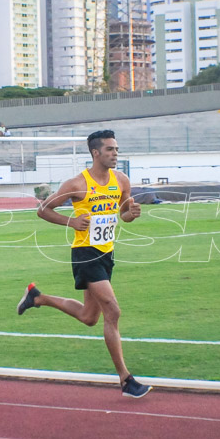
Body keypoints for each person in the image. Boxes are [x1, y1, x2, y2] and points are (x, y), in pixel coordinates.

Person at [17, 129, 151, 398]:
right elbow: (43, 209)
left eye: (116, 149)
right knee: (112, 311)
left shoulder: (121, 180)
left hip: (106, 253)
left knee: (89, 317)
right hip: (85, 253)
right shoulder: (77, 184)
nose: (115, 154)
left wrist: (132, 214)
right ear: (96, 153)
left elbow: (124, 214)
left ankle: (38, 297)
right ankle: (126, 380)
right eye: (110, 149)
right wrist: (72, 221)